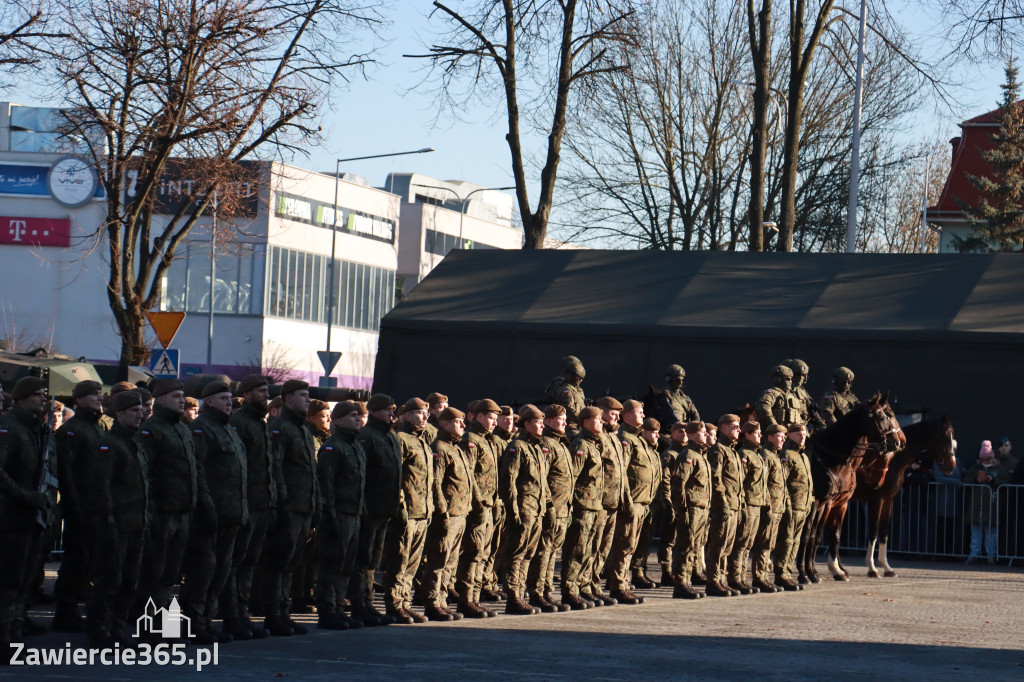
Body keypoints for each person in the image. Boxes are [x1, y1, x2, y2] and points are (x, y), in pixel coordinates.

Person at [181, 380, 248, 644]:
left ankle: (205, 620)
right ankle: (193, 623)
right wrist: (207, 508)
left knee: (221, 571)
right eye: (223, 398)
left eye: (230, 398)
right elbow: (198, 473)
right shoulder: (200, 429)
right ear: (208, 402)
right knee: (203, 572)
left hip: (232, 513)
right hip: (211, 515)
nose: (229, 402)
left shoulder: (229, 429)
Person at [84, 389, 149, 648]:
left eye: (141, 410)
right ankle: (100, 632)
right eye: (133, 411)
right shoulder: (109, 444)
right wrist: (108, 524)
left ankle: (117, 630)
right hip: (117, 526)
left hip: (136, 524)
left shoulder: (135, 442)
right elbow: (101, 488)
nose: (140, 415)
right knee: (109, 582)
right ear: (119, 413)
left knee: (128, 584)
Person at [0, 376, 55, 660]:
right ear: (21, 399)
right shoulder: (10, 428)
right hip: (11, 518)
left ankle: (14, 635)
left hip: (32, 518)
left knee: (23, 581)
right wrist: (26, 496)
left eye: (43, 394)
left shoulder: (38, 429)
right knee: (8, 582)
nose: (42, 399)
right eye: (36, 395)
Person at [137, 378, 199, 624]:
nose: (182, 400)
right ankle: (149, 623)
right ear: (160, 399)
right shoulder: (151, 430)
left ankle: (162, 621)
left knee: (170, 573)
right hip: (161, 513)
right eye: (176, 396)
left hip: (182, 511)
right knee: (154, 571)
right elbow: (146, 474)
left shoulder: (182, 428)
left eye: (182, 396)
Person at [263, 379, 319, 636]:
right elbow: (275, 470)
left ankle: (283, 613)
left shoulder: (304, 430)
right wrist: (282, 505)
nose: (307, 400)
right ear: (286, 398)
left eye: (308, 396)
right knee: (278, 564)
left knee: (291, 565)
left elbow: (310, 472)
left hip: (304, 507)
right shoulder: (279, 429)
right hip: (288, 508)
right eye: (302, 395)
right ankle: (274, 615)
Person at [52, 379, 106, 633]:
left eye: (99, 393)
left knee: (88, 560)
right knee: (76, 560)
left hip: (97, 505)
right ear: (80, 399)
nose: (98, 397)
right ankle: (65, 611)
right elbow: (67, 473)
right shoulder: (72, 430)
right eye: (93, 394)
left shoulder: (98, 426)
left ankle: (73, 607)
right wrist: (74, 507)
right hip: (81, 505)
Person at [226, 374, 276, 640]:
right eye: (259, 391)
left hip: (263, 503)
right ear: (246, 394)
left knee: (250, 563)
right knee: (238, 562)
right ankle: (233, 615)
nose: (265, 395)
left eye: (266, 391)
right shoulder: (240, 422)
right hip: (246, 505)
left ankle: (242, 614)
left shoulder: (261, 423)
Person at [315, 400, 367, 630]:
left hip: (354, 513)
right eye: (352, 415)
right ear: (338, 420)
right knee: (332, 564)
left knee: (347, 565)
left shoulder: (354, 444)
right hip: (339, 514)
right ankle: (327, 611)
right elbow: (325, 483)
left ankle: (338, 606)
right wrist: (330, 516)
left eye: (358, 415)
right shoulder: (333, 446)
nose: (357, 418)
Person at [382, 398, 434, 624]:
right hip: (407, 511)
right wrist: (401, 508)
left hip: (422, 511)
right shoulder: (400, 439)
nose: (425, 417)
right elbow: (396, 477)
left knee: (413, 562)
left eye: (426, 413)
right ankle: (394, 605)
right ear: (405, 415)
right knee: (399, 561)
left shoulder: (421, 441)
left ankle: (405, 602)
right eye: (420, 413)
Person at [353, 394, 401, 627]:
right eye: (386, 410)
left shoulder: (390, 436)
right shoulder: (367, 437)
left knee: (373, 560)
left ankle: (368, 603)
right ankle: (359, 605)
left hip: (385, 508)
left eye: (392, 410)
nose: (391, 414)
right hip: (369, 508)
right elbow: (362, 476)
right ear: (373, 412)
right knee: (362, 558)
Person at [421, 406, 471, 622]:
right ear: (445, 423)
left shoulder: (456, 448)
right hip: (448, 514)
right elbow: (435, 484)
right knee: (438, 560)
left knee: (450, 561)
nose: (463, 425)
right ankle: (432, 602)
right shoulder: (440, 448)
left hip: (460, 513)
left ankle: (442, 600)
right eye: (459, 421)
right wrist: (441, 514)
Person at [607, 401, 659, 604]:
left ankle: (623, 583)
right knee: (624, 545)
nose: (643, 415)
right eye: (639, 412)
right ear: (627, 416)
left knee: (631, 545)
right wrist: (627, 501)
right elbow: (623, 473)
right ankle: (618, 585)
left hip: (642, 502)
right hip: (632, 501)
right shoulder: (626, 440)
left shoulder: (638, 440)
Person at [499, 405, 549, 615]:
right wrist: (513, 511)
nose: (541, 426)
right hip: (523, 509)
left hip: (536, 509)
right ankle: (513, 597)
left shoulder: (537, 448)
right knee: (516, 554)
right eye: (537, 422)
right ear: (527, 424)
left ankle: (520, 594)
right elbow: (508, 481)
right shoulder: (517, 447)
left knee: (528, 554)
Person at [457, 398, 502, 618]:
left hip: (490, 505)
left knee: (483, 554)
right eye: (491, 418)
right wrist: (477, 505)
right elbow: (469, 477)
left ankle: (475, 597)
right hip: (478, 506)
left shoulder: (488, 441)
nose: (495, 422)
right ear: (479, 416)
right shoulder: (470, 441)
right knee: (472, 553)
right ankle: (466, 599)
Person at [527, 404, 574, 613]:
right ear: (547, 421)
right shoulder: (547, 444)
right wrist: (548, 506)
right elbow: (542, 478)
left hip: (563, 507)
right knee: (543, 552)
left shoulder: (561, 443)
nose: (565, 422)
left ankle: (546, 591)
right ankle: (537, 593)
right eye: (560, 418)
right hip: (550, 507)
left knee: (551, 552)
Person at [561, 405, 605, 610]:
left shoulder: (594, 444)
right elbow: (573, 477)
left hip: (594, 504)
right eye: (598, 419)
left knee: (589, 549)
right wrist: (573, 504)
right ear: (586, 421)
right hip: (583, 505)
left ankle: (582, 587)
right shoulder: (580, 444)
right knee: (577, 549)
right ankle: (570, 591)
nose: (602, 422)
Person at [588, 396, 628, 607]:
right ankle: (587, 586)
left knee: (604, 548)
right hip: (600, 502)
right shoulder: (598, 438)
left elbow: (620, 472)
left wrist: (625, 499)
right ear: (601, 414)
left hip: (613, 501)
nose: (617, 418)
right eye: (613, 414)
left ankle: (595, 586)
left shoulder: (613, 438)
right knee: (592, 547)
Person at [669, 421, 711, 599]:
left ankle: (687, 581)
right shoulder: (688, 455)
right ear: (692, 435)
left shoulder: (701, 455)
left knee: (694, 546)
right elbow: (678, 484)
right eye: (702, 432)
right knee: (685, 546)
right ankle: (680, 583)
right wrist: (682, 509)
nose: (706, 435)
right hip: (691, 509)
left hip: (701, 508)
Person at [705, 414, 743, 597]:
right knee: (718, 545)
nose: (739, 430)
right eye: (735, 427)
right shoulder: (718, 450)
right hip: (723, 505)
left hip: (733, 505)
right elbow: (716, 478)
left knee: (727, 546)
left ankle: (722, 579)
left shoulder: (733, 451)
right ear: (724, 428)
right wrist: (723, 502)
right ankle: (713, 581)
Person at [729, 422, 766, 595]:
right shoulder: (744, 454)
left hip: (757, 504)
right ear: (748, 434)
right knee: (741, 543)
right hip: (747, 504)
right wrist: (742, 504)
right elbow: (740, 483)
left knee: (748, 543)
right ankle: (735, 578)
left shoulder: (756, 454)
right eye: (757, 432)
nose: (760, 435)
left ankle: (742, 578)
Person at [774, 423, 811, 590]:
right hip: (792, 506)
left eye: (804, 433)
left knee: (795, 541)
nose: (802, 436)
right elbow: (782, 482)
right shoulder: (787, 455)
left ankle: (788, 572)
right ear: (790, 435)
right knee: (786, 540)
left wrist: (809, 502)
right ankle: (781, 573)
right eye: (798, 433)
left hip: (803, 506)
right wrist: (787, 504)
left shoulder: (803, 456)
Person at [752, 423, 787, 593]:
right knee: (764, 543)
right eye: (780, 436)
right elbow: (763, 484)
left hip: (777, 506)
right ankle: (759, 577)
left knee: (770, 543)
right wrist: (767, 506)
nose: (783, 439)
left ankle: (764, 576)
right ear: (770, 438)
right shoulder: (765, 455)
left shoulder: (775, 456)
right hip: (769, 507)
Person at [963, 440, 1002, 565]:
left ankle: (991, 555)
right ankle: (973, 554)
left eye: (988, 459)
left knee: (991, 533)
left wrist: (993, 480)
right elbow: (966, 479)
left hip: (992, 505)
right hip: (976, 505)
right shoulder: (975, 467)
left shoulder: (998, 468)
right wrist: (976, 479)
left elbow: (1006, 482)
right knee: (975, 532)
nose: (986, 462)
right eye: (984, 460)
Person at [544, 355, 587, 429]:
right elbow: (569, 411)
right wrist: (586, 419)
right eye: (578, 378)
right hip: (570, 427)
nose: (581, 381)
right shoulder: (566, 390)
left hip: (578, 426)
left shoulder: (577, 389)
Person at [754, 365, 799, 432]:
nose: (790, 381)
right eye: (787, 379)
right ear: (778, 379)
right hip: (774, 434)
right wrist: (774, 426)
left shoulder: (792, 395)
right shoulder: (771, 393)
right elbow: (764, 407)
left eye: (791, 379)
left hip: (790, 433)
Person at [784, 359, 815, 427]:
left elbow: (811, 409)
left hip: (803, 427)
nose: (800, 378)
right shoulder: (781, 390)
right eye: (797, 374)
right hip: (787, 427)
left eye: (803, 375)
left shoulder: (802, 392)